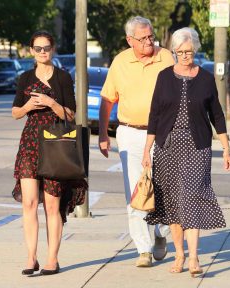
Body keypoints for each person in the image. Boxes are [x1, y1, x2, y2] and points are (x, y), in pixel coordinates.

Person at [142, 27, 230, 276]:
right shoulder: (163, 77)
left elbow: (217, 115)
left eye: (189, 51)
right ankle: (179, 254)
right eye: (180, 52)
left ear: (195, 50)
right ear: (173, 52)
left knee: (191, 198)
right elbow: (155, 114)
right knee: (173, 203)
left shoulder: (205, 78)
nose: (185, 56)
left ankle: (193, 258)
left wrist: (226, 149)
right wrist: (147, 149)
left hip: (197, 146)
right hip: (167, 147)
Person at [99, 16, 175, 267]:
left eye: (151, 36)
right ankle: (143, 249)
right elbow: (108, 99)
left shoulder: (165, 57)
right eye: (143, 38)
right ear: (130, 40)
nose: (149, 42)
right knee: (135, 191)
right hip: (130, 133)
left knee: (164, 189)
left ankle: (160, 233)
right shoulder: (120, 62)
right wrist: (102, 134)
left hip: (163, 132)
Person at [12, 30, 82, 276]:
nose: (42, 52)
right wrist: (29, 105)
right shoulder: (25, 78)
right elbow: (15, 113)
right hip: (30, 142)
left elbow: (71, 115)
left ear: (52, 49)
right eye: (38, 48)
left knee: (52, 206)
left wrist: (52, 103)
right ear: (32, 51)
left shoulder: (62, 77)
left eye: (47, 48)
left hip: (56, 142)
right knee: (29, 203)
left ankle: (52, 259)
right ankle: (31, 258)